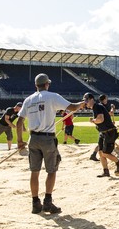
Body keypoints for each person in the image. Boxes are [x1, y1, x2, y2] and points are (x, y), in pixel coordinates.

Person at [16, 74, 85, 215]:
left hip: (33, 139)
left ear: (36, 85)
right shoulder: (52, 96)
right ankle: (47, 202)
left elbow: (19, 122)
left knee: (34, 172)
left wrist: (19, 141)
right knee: (51, 170)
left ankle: (35, 204)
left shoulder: (28, 100)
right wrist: (81, 103)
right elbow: (72, 107)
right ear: (47, 84)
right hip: (47, 139)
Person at [85, 93, 119, 177]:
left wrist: (93, 120)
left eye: (86, 100)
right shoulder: (95, 107)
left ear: (91, 99)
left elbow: (100, 119)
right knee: (100, 152)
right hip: (103, 133)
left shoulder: (97, 106)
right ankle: (106, 171)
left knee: (105, 153)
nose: (85, 102)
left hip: (109, 132)